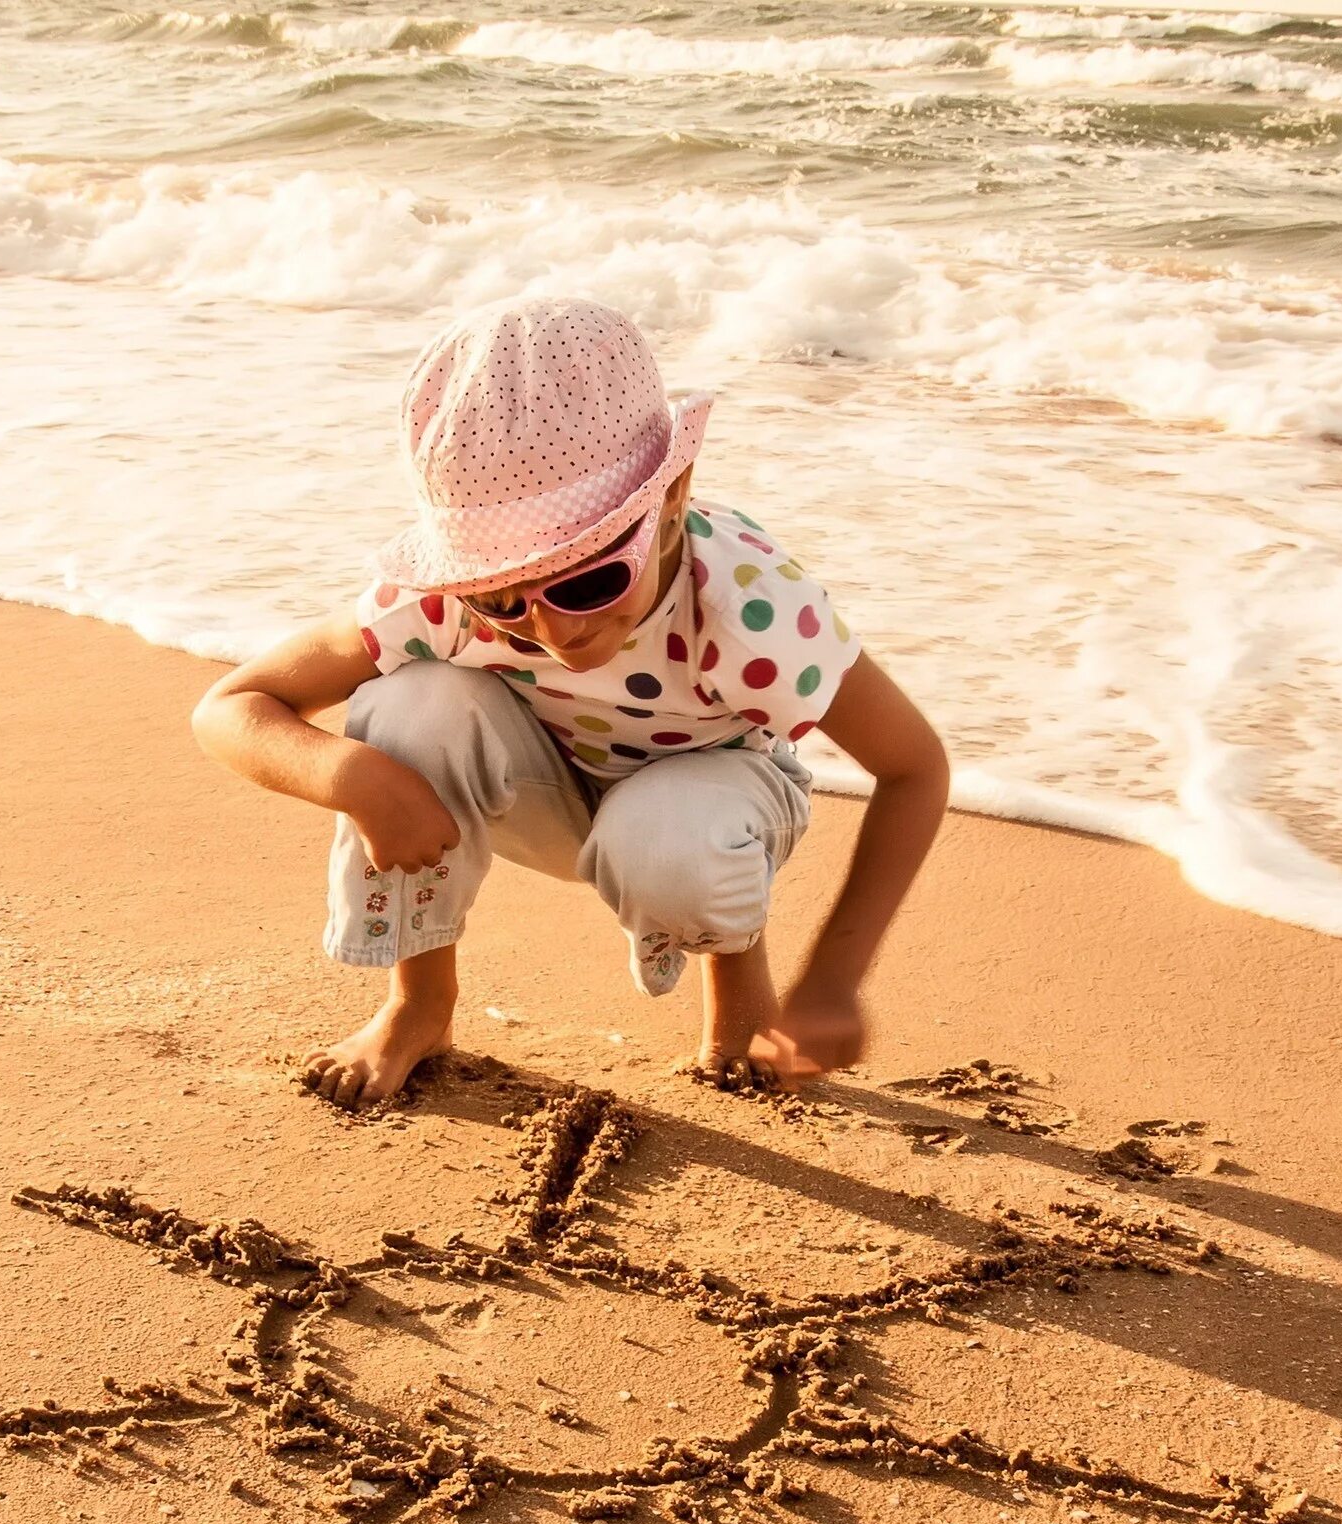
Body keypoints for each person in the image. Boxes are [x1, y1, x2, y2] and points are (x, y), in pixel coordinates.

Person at [191, 296, 950, 1108]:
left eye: (588, 580)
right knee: (408, 709)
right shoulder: (449, 601)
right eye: (502, 599)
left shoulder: (750, 611)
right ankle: (418, 1006)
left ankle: (738, 991)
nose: (549, 629)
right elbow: (232, 706)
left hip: (718, 804)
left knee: (672, 834)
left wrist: (834, 979)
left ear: (672, 497)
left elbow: (914, 768)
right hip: (545, 793)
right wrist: (355, 778)